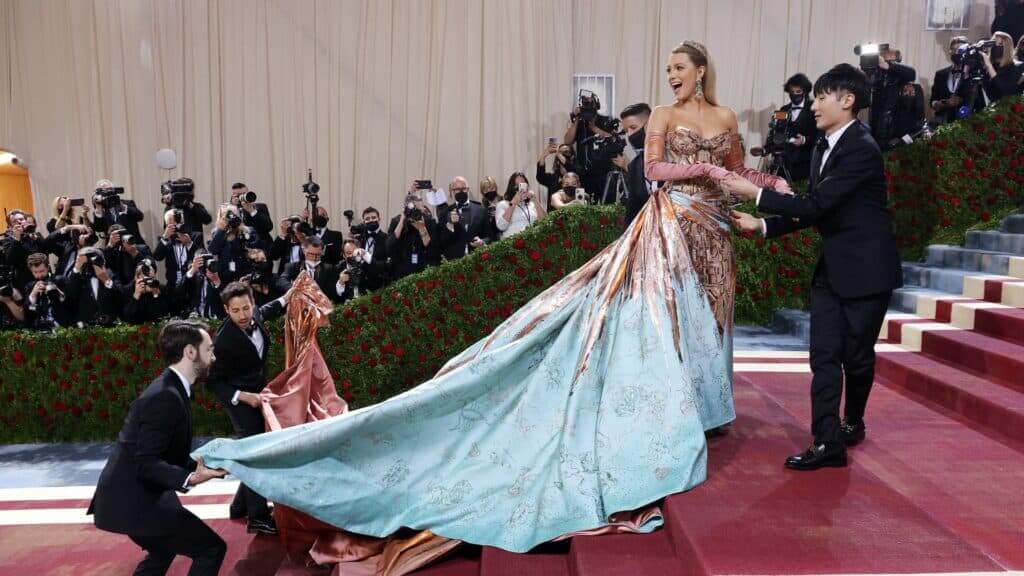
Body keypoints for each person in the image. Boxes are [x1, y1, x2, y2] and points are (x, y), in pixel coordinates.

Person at [194, 40, 784, 565]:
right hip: (668, 225)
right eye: (668, 69)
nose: (671, 76)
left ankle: (706, 409)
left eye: (679, 68)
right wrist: (702, 165)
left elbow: (733, 173)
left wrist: (767, 187)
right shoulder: (661, 114)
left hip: (714, 227)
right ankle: (672, 413)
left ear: (701, 70)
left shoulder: (726, 115)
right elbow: (653, 167)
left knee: (711, 317)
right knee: (663, 321)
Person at [726, 63, 901, 471]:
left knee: (857, 358)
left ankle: (852, 420)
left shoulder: (862, 147)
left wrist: (758, 194)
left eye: (822, 97)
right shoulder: (824, 145)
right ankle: (827, 441)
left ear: (848, 100)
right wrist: (765, 225)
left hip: (867, 271)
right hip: (832, 269)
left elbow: (817, 206)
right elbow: (813, 210)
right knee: (823, 355)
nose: (815, 105)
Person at [88, 320, 228, 576]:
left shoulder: (173, 388)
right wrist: (190, 476)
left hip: (137, 496)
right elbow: (147, 463)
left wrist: (208, 467)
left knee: (163, 549)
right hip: (133, 502)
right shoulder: (166, 396)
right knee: (211, 548)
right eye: (209, 349)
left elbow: (163, 453)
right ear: (190, 352)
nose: (214, 356)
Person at [206, 281, 293, 536]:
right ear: (226, 310)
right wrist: (244, 396)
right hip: (240, 401)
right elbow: (212, 383)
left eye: (246, 308)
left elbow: (267, 311)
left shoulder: (253, 314)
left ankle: (239, 506)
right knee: (255, 456)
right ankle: (258, 517)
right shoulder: (222, 342)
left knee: (254, 450)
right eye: (236, 311)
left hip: (259, 394)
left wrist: (287, 298)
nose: (243, 315)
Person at [620, 103, 654, 227]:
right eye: (626, 131)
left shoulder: (675, 157)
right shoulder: (634, 166)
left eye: (633, 127)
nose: (629, 135)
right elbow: (632, 210)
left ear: (650, 124)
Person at [779, 74, 818, 181]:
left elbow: (821, 134)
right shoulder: (783, 110)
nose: (795, 94)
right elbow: (777, 129)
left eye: (798, 92)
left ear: (805, 91)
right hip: (786, 161)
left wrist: (804, 140)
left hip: (806, 162)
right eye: (792, 92)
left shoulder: (814, 108)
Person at [931, 36, 970, 124]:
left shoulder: (972, 74)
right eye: (953, 49)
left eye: (960, 50)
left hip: (965, 124)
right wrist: (944, 104)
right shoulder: (940, 74)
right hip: (942, 124)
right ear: (949, 52)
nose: (956, 53)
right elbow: (933, 102)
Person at [494, 172, 546, 239]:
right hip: (512, 244)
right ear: (511, 187)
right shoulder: (503, 204)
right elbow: (501, 226)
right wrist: (513, 203)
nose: (520, 188)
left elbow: (544, 222)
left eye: (522, 184)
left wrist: (535, 200)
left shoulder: (532, 204)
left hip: (532, 242)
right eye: (517, 185)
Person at [981, 31, 1024, 102]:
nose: (996, 47)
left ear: (1007, 47)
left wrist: (989, 66)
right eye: (993, 44)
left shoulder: (1017, 66)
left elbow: (1005, 90)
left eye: (1000, 44)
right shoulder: (988, 66)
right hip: (988, 109)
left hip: (1005, 110)